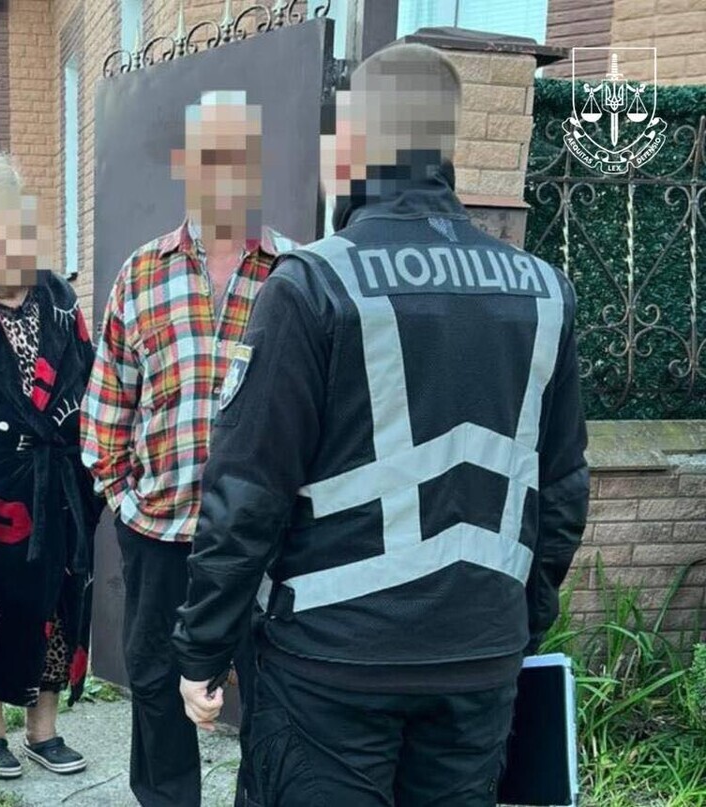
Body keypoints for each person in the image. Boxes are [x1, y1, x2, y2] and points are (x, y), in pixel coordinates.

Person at [173, 44, 589, 807]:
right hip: (478, 661)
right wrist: (519, 623)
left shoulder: (312, 287)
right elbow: (561, 489)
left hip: (331, 669)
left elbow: (247, 493)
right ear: (447, 141)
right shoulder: (543, 291)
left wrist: (203, 645)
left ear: (355, 140)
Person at [81, 90, 299, 807]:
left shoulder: (297, 275)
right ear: (186, 164)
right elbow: (108, 405)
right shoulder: (143, 273)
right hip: (162, 533)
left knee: (274, 691)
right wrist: (124, 499)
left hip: (269, 541)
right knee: (154, 686)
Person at [0, 149, 101, 779]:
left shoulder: (58, 296)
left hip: (61, 479)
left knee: (58, 600)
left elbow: (91, 375)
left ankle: (42, 729)